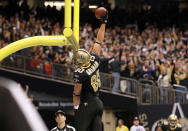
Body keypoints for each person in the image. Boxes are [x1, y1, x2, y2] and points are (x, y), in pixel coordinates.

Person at [72, 10, 108, 131]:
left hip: (88, 103)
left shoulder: (79, 73)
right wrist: (104, 22)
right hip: (99, 103)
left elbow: (77, 92)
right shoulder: (94, 59)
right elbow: (99, 41)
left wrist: (76, 108)